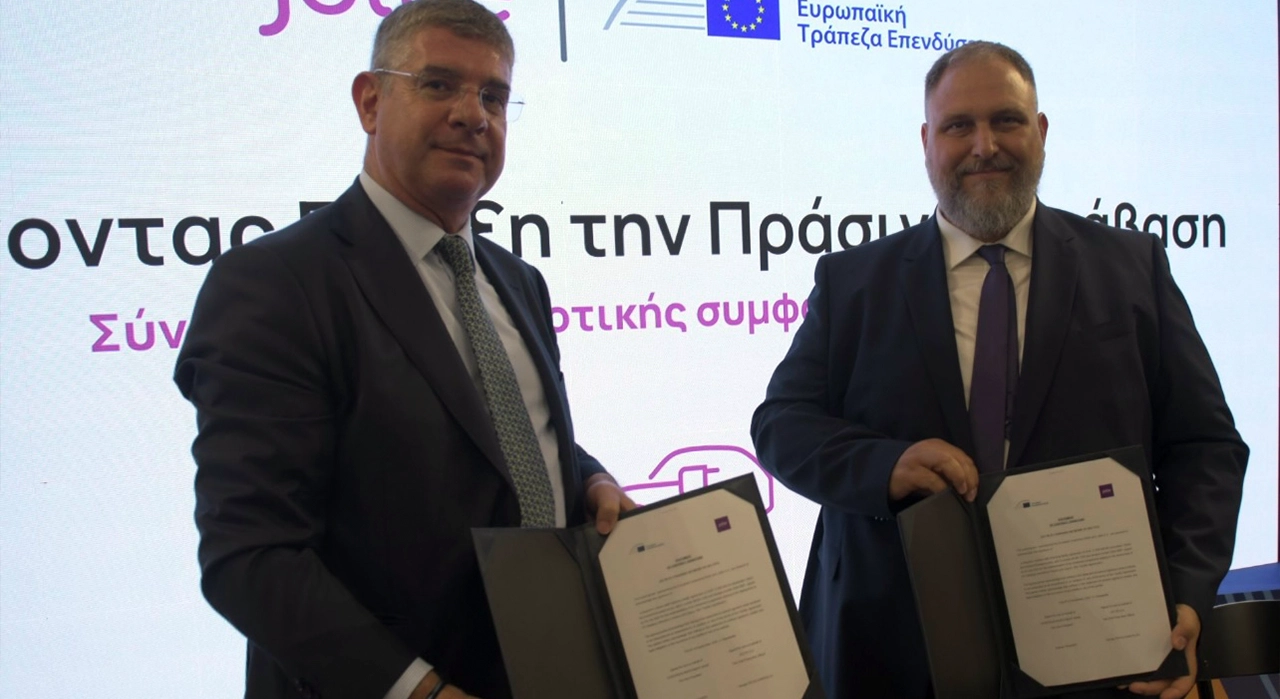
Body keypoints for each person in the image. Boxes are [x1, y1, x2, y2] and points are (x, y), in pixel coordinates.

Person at [751, 41, 1247, 699]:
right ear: (927, 142)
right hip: (894, 649)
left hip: (1100, 649)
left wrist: (1185, 590)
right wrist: (884, 466)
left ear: (1040, 131)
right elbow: (781, 425)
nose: (984, 146)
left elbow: (1205, 447)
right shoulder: (854, 282)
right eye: (959, 126)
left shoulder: (1132, 268)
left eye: (1006, 121)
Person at [175, 2, 634, 698]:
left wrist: (587, 479)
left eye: (494, 97)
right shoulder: (276, 283)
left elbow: (501, 439)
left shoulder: (518, 281)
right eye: (439, 84)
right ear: (370, 101)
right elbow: (253, 555)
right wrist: (419, 692)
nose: (472, 115)